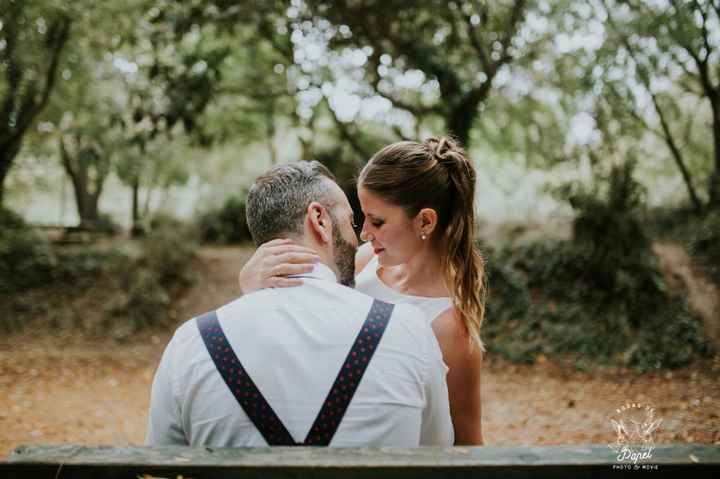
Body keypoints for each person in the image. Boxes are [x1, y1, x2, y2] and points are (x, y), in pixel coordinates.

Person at [146, 161, 453, 447]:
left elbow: (161, 462)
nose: (357, 238)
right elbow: (438, 454)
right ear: (319, 220)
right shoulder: (409, 328)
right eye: (349, 221)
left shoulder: (192, 342)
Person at [238, 137, 487, 444]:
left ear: (425, 221)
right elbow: (297, 314)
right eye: (361, 218)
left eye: (377, 222)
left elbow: (466, 443)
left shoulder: (452, 331)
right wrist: (252, 287)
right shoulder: (364, 260)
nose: (364, 233)